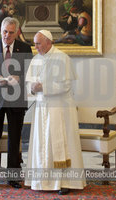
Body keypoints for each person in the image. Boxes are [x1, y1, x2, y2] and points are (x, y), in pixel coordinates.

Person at [24, 30, 86, 195]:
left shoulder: (62, 58)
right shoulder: (36, 59)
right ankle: (41, 181)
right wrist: (32, 87)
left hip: (60, 109)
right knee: (41, 144)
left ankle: (65, 182)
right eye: (35, 43)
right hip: (41, 109)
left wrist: (42, 87)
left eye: (38, 43)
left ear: (48, 42)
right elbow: (29, 82)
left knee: (61, 144)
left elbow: (66, 86)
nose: (35, 46)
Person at [0, 17, 33, 190]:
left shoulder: (24, 48)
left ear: (16, 32)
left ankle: (13, 178)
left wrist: (20, 78)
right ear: (0, 30)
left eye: (11, 32)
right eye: (4, 32)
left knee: (14, 139)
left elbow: (31, 73)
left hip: (16, 100)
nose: (7, 36)